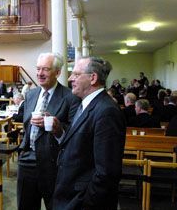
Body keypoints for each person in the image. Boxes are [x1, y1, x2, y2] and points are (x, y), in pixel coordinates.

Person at [53, 57, 126, 210]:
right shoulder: (86, 104)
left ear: (93, 78)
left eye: (76, 74)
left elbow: (107, 172)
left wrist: (88, 204)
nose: (70, 78)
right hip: (70, 193)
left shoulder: (106, 111)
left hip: (83, 201)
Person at [17, 52, 80, 210]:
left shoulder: (70, 97)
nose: (39, 73)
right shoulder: (30, 95)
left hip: (53, 164)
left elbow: (75, 134)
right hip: (27, 161)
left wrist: (58, 128)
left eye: (45, 69)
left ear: (57, 72)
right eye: (38, 69)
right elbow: (26, 125)